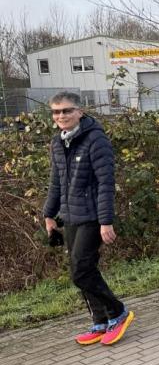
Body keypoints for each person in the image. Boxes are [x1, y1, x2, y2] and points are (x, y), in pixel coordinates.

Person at [43, 91, 134, 345]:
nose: (61, 116)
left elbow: (106, 183)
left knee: (81, 272)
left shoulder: (96, 139)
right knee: (80, 270)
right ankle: (100, 321)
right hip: (70, 215)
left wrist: (106, 221)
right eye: (56, 112)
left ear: (79, 112)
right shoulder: (57, 142)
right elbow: (56, 182)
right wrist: (49, 214)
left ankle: (117, 312)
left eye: (67, 110)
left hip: (93, 216)